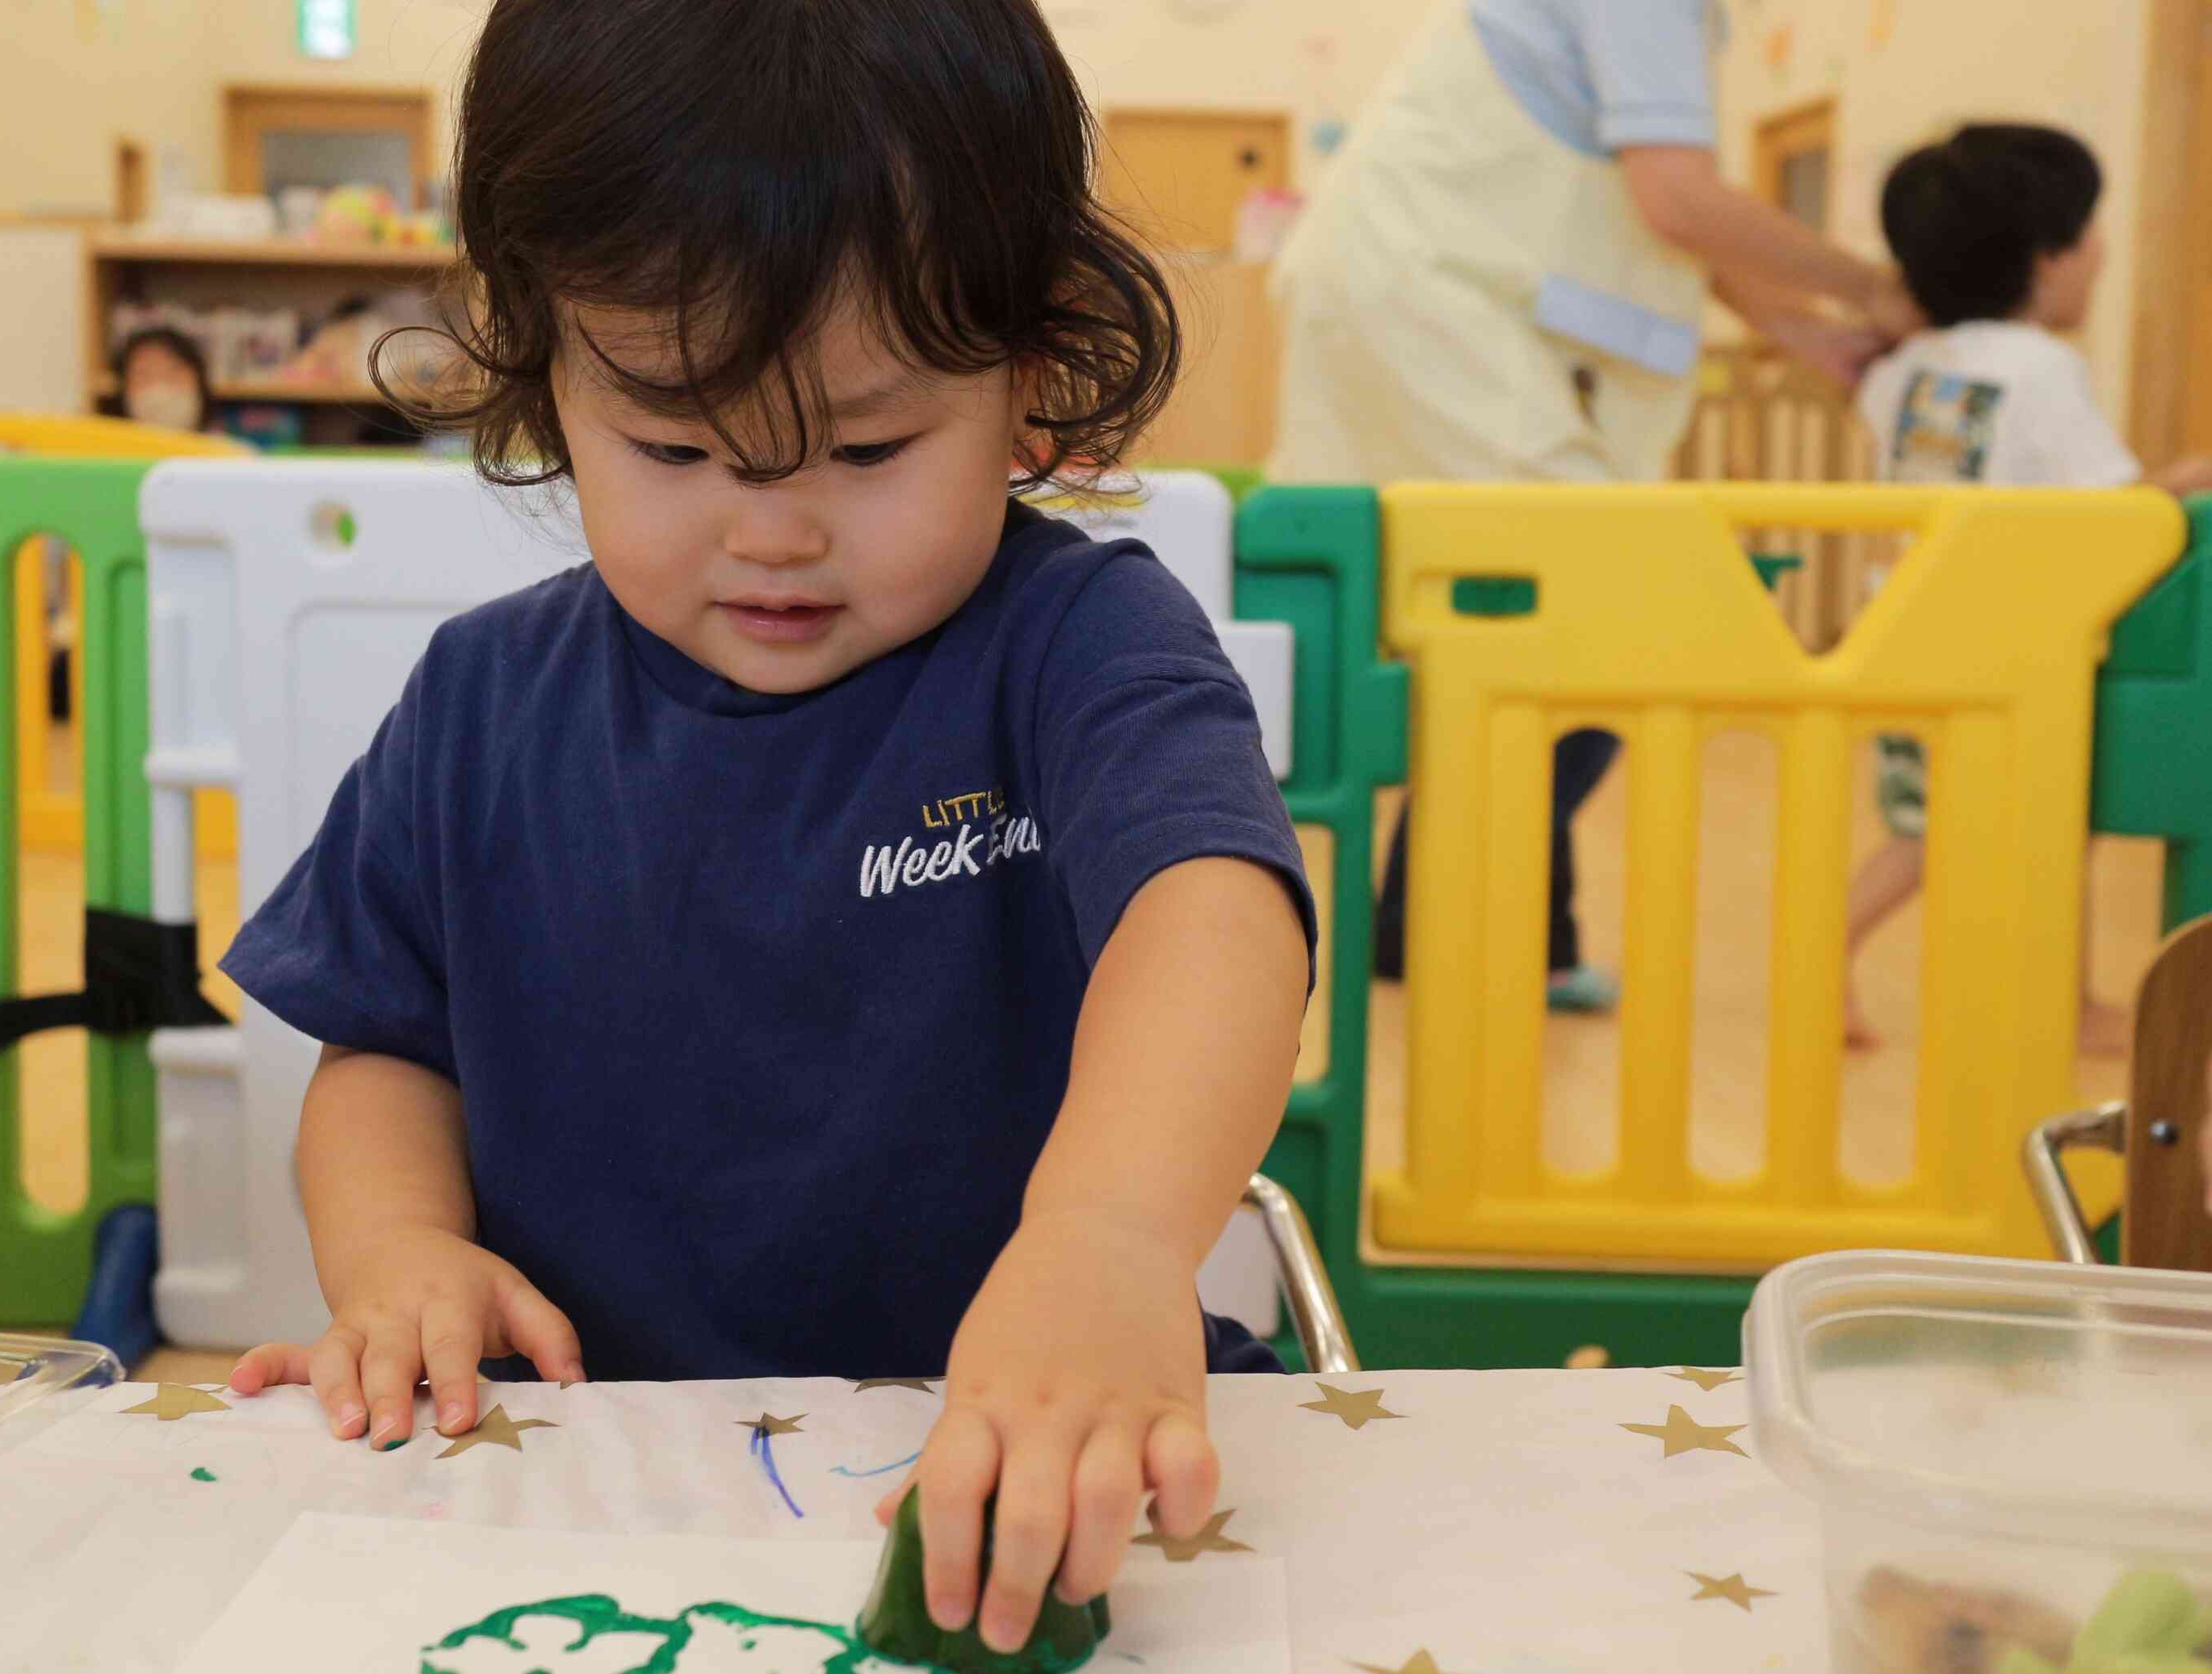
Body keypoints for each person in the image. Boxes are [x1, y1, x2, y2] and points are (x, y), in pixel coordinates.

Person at [219, 0, 1315, 1658]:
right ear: (545, 376)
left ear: (1028, 370)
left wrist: (1105, 1242)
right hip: (597, 1484)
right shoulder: (478, 702)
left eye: (871, 447)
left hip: (1019, 1462)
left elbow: (1211, 911)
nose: (775, 531)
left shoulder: (1073, 643)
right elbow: (383, 1046)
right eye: (669, 446)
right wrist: (401, 1249)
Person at [1271, 0, 1920, 1012]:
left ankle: (1474, 932)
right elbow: (1676, 202)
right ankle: (1466, 931)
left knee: (1524, 631)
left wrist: (1807, 331)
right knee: (1582, 619)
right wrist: (1877, 288)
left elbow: (1660, 214)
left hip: (1422, 299)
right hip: (1426, 304)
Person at [1845, 124, 2212, 1053]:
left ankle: (1829, 951)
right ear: (2046, 260)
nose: (2099, 256)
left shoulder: (1903, 369)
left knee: (1927, 831)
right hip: (2005, 646)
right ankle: (2060, 1002)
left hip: (1902, 632)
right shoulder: (2041, 369)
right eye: (2089, 236)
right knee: (2049, 820)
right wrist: (2189, 475)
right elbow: (2110, 512)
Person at [111, 325, 215, 434]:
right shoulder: (103, 449)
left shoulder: (226, 447)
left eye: (173, 372)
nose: (160, 386)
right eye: (144, 375)